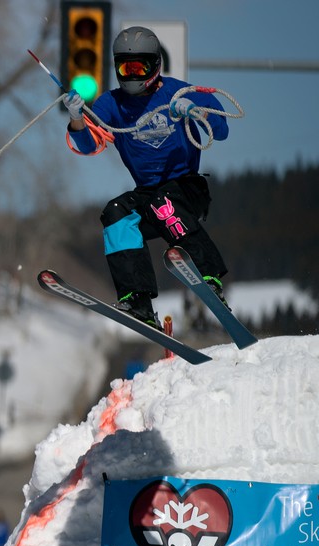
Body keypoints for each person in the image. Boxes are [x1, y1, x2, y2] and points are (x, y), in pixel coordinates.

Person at [62, 25, 231, 331]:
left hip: (186, 189)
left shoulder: (178, 93)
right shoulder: (111, 105)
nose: (133, 75)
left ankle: (209, 277)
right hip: (148, 194)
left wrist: (196, 112)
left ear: (155, 66)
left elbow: (222, 131)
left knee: (163, 200)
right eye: (126, 68)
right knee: (115, 214)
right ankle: (137, 301)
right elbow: (87, 145)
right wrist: (76, 118)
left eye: (140, 67)